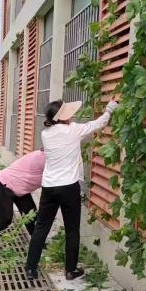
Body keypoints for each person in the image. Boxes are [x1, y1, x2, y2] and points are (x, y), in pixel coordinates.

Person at [25, 97, 119, 280]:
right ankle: (70, 270)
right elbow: (100, 122)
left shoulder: (46, 133)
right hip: (69, 188)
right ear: (64, 115)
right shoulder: (74, 130)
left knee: (41, 228)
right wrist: (111, 107)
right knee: (72, 229)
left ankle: (31, 268)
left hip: (49, 188)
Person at [0, 149, 45, 248]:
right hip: (4, 184)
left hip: (21, 187)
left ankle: (36, 241)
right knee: (5, 217)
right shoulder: (42, 157)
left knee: (30, 214)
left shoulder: (49, 158)